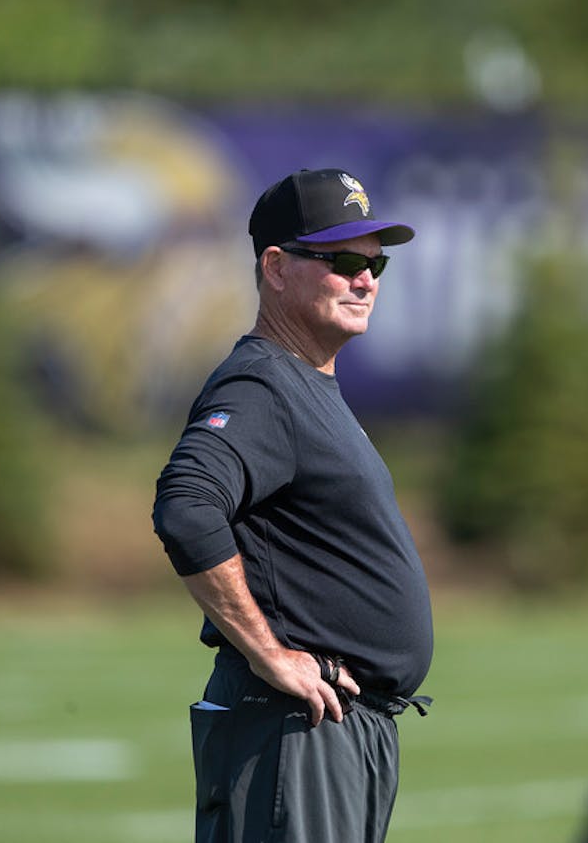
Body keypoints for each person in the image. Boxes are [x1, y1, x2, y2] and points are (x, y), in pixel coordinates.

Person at [152, 167, 434, 843]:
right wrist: (270, 651)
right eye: (341, 260)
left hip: (330, 731)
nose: (365, 280)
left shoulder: (306, 384)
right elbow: (187, 505)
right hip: (291, 730)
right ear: (276, 268)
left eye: (376, 264)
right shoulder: (263, 384)